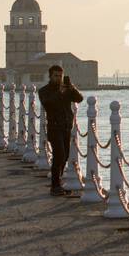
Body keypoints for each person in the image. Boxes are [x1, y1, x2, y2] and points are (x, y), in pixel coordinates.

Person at [38, 64, 83, 195]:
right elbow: (48, 103)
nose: (58, 78)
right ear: (50, 76)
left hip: (66, 126)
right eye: (56, 76)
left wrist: (71, 87)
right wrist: (60, 92)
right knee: (59, 154)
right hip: (54, 126)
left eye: (60, 76)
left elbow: (79, 99)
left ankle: (58, 182)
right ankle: (55, 185)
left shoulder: (66, 89)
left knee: (65, 156)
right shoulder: (44, 91)